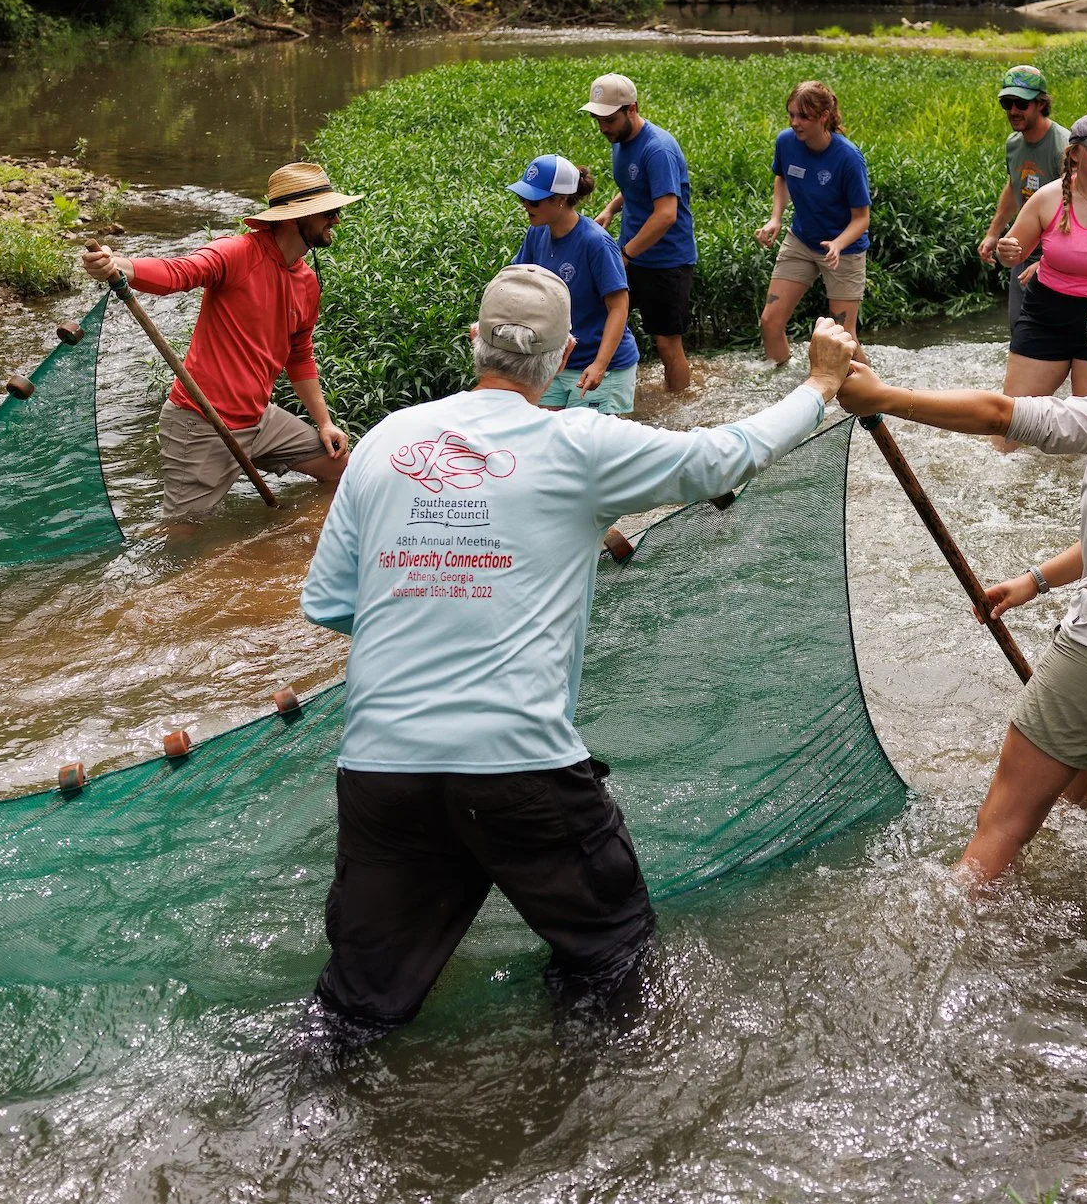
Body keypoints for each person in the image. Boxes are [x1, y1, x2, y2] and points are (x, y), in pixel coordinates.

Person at [301, 265, 862, 1032]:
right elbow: (721, 456)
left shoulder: (384, 441)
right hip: (519, 763)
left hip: (380, 766)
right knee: (614, 960)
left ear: (475, 341)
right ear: (566, 355)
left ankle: (313, 1098)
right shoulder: (579, 441)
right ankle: (595, 1099)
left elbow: (330, 603)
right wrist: (820, 384)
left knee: (357, 1007)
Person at [835, 279, 1087, 887]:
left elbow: (1002, 414)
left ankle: (959, 926)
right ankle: (1082, 878)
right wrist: (1034, 582)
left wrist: (884, 397)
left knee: (1001, 824)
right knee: (1075, 773)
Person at [80, 161, 355, 532]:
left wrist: (325, 423)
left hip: (258, 418)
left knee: (340, 468)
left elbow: (300, 356)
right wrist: (117, 266)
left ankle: (291, 539)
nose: (335, 219)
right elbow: (179, 272)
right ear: (296, 217)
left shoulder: (306, 282)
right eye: (327, 212)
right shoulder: (236, 253)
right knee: (185, 537)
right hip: (202, 422)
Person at [994, 113, 1087, 441]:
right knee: (1009, 429)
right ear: (1075, 153)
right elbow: (1013, 254)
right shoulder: (1047, 198)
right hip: (1046, 315)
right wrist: (1006, 251)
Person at [586, 74, 696, 393]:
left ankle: (678, 406)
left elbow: (666, 214)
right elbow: (636, 186)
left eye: (609, 120)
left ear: (631, 109)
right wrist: (610, 209)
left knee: (666, 343)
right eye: (598, 120)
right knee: (606, 321)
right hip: (632, 254)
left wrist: (625, 254)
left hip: (667, 262)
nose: (603, 128)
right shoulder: (620, 142)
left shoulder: (658, 149)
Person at [507, 154, 639, 415]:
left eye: (533, 200)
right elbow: (518, 282)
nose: (525, 206)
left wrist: (600, 364)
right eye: (522, 198)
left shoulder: (596, 243)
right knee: (545, 434)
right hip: (555, 362)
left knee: (588, 441)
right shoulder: (536, 232)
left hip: (601, 366)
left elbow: (619, 307)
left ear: (560, 199)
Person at [755, 80, 871, 364]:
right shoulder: (786, 142)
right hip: (802, 240)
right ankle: (782, 383)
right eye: (791, 114)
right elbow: (781, 177)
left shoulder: (848, 158)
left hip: (844, 250)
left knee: (843, 337)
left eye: (804, 116)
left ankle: (872, 389)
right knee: (770, 322)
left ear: (824, 117)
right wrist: (775, 218)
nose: (795, 123)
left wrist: (838, 244)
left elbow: (862, 218)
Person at [977, 65, 1066, 327]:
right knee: (1019, 330)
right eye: (1007, 103)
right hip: (1021, 249)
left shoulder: (1063, 147)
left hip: (1055, 256)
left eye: (1021, 103)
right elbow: (1014, 187)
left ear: (1041, 103)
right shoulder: (1014, 143)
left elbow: (1076, 208)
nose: (1013, 111)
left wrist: (1048, 262)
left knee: (1051, 333)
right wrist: (993, 233)